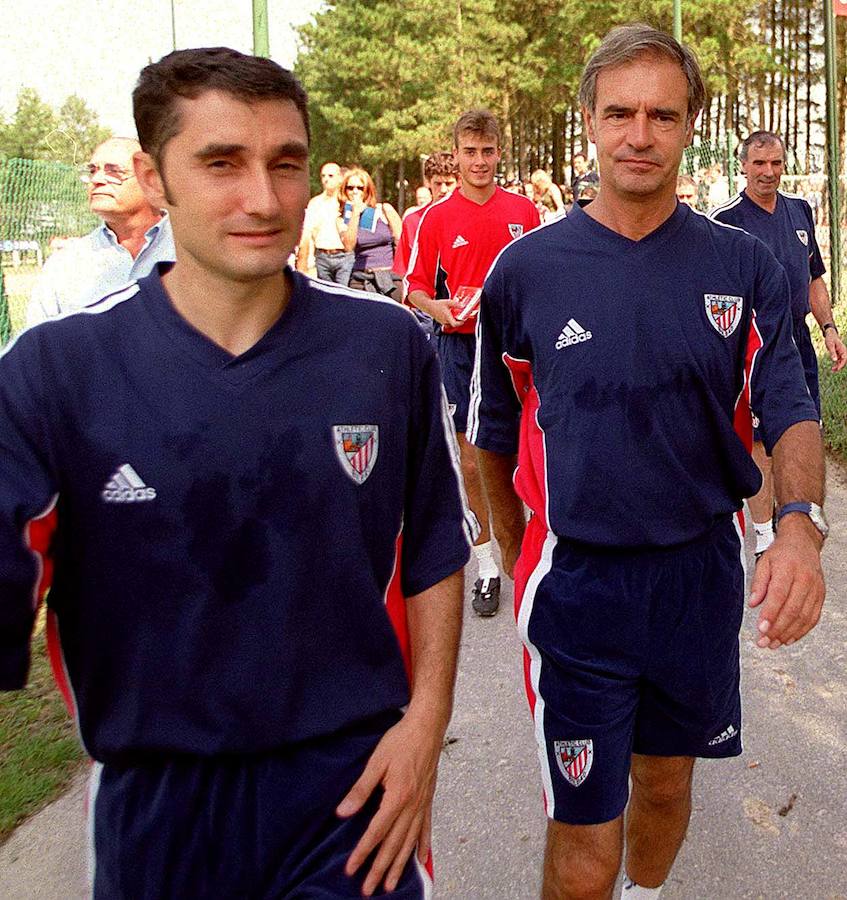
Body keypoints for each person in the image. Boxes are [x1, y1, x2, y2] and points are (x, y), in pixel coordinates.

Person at [0, 47, 472, 899]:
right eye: (221, 163)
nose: (263, 198)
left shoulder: (386, 348)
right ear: (156, 175)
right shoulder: (56, 371)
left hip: (353, 789)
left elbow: (437, 545)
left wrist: (425, 720)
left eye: (285, 164)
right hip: (158, 800)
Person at [469, 25, 827, 900]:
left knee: (666, 785)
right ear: (588, 119)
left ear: (687, 124)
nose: (639, 134)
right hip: (578, 591)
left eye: (661, 115)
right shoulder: (524, 271)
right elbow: (490, 433)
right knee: (584, 838)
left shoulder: (741, 266)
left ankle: (649, 894)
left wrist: (799, 528)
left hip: (696, 578)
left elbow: (788, 407)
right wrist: (517, 557)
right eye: (619, 112)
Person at [406, 109, 540, 617]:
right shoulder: (437, 217)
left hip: (515, 346)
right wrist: (439, 308)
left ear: (498, 154)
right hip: (461, 348)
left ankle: (534, 542)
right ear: (455, 155)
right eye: (470, 152)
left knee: (529, 444)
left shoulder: (523, 210)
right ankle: (486, 564)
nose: (479, 162)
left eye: (488, 152)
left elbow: (540, 276)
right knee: (471, 459)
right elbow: (414, 288)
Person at [710, 131, 847, 558]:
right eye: (759, 164)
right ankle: (765, 530)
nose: (768, 172)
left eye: (776, 164)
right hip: (750, 347)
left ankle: (798, 519)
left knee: (799, 429)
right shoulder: (725, 220)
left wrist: (829, 328)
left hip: (798, 343)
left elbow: (814, 280)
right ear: (743, 166)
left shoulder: (800, 211)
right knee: (755, 441)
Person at [26, 137, 174, 325]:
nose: (97, 180)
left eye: (113, 171)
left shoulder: (192, 249)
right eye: (92, 171)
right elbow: (40, 345)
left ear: (151, 180)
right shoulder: (65, 265)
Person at [338, 167, 403, 300]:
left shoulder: (384, 210)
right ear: (345, 191)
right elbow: (349, 246)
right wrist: (355, 213)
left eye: (360, 188)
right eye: (350, 188)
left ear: (367, 190)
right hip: (361, 279)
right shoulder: (341, 219)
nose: (355, 192)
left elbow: (402, 242)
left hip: (389, 277)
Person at [392, 151, 459, 280]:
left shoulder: (469, 218)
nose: (443, 190)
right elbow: (403, 272)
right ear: (428, 182)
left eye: (449, 184)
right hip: (423, 296)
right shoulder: (412, 221)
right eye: (438, 184)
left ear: (458, 182)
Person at [295, 161, 354, 285]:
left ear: (340, 178)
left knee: (343, 297)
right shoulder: (315, 203)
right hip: (322, 257)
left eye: (330, 176)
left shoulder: (347, 203)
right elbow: (307, 236)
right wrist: (302, 266)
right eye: (323, 176)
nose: (326, 179)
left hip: (344, 257)